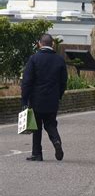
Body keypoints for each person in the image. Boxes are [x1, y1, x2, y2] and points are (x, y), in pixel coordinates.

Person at [21, 33, 68, 162]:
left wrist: (24, 99)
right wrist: (58, 95)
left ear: (39, 44)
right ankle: (56, 141)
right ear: (52, 44)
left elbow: (27, 81)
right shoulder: (59, 60)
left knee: (36, 127)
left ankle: (37, 154)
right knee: (51, 124)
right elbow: (64, 81)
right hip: (52, 99)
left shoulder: (34, 59)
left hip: (36, 99)